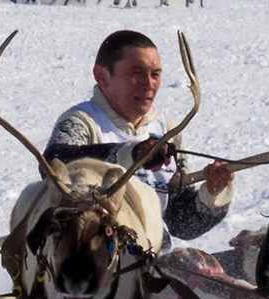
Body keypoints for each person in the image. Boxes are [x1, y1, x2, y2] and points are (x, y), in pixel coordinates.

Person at [45, 29, 235, 242]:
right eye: (136, 73)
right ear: (102, 76)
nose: (149, 84)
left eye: (155, 74)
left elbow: (181, 223)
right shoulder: (83, 122)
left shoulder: (167, 129)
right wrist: (130, 155)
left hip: (154, 261)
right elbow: (53, 163)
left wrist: (211, 194)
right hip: (93, 263)